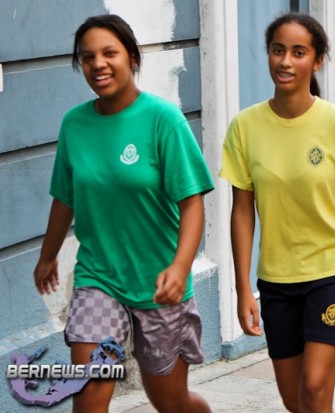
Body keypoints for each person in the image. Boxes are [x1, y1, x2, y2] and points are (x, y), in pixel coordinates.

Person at [220, 12, 335, 413]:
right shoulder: (244, 127)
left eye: (298, 52)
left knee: (315, 387)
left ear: (317, 61)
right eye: (278, 50)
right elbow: (242, 212)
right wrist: (242, 288)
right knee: (295, 400)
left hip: (334, 269)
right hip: (277, 278)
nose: (286, 61)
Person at [33, 14, 213, 413]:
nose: (98, 64)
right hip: (99, 277)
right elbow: (65, 199)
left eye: (109, 53)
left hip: (159, 282)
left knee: (170, 401)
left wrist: (180, 267)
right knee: (90, 393)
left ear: (131, 57)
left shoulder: (164, 120)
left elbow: (192, 203)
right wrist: (47, 257)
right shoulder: (74, 125)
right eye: (87, 57)